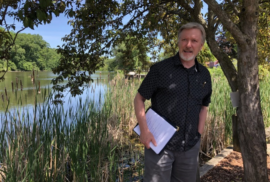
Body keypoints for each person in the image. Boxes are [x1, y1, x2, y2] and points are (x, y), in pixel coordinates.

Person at [134, 22, 212, 182]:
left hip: (189, 147)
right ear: (178, 42)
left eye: (194, 41)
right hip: (159, 145)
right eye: (184, 40)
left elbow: (204, 106)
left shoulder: (204, 75)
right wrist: (144, 130)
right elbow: (139, 99)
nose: (188, 45)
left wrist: (199, 134)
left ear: (201, 46)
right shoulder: (160, 70)